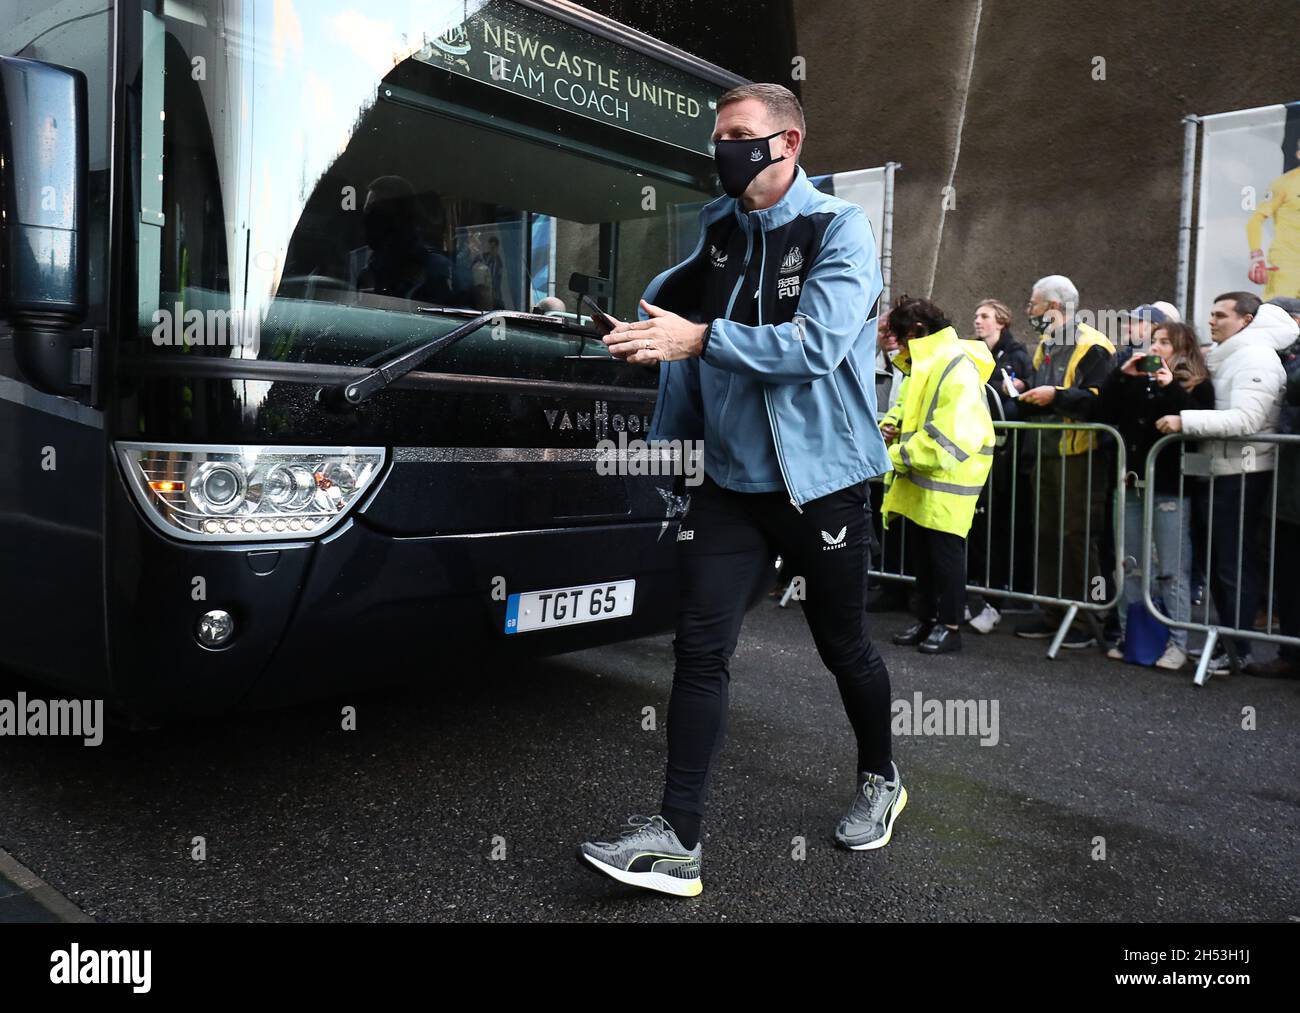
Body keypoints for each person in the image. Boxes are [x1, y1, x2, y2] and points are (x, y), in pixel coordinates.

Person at [576, 83, 901, 897]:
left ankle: (882, 775)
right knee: (700, 647)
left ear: (787, 143)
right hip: (731, 482)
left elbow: (817, 344)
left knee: (843, 646)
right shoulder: (716, 229)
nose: (722, 149)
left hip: (821, 484)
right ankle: (676, 840)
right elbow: (685, 334)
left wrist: (700, 336)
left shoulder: (841, 228)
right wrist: (655, 351)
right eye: (718, 136)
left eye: (738, 135)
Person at [1156, 296, 1293, 674]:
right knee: (1218, 563)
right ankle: (1226, 644)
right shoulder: (1229, 355)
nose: (1211, 321)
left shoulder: (1256, 358)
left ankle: (1237, 649)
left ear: (1246, 320)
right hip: (1217, 470)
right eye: (1211, 313)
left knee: (1232, 564)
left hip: (1243, 474)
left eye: (1220, 315)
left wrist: (1186, 421)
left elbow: (1247, 419)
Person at [1092, 322, 1213, 670]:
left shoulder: (1197, 383)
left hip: (1170, 487)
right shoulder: (1136, 382)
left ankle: (1178, 642)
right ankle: (1131, 634)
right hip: (1129, 482)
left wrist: (1170, 387)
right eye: (1154, 341)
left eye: (1165, 343)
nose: (1156, 348)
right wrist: (1121, 376)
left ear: (1182, 349)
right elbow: (1104, 413)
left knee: (1172, 569)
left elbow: (1197, 420)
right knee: (1127, 564)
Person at [880, 297, 996, 654]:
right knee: (924, 557)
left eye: (900, 336)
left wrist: (896, 454)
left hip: (948, 478)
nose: (897, 344)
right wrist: (892, 423)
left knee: (945, 557)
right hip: (925, 473)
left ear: (917, 331)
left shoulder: (953, 365)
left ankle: (949, 626)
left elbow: (948, 438)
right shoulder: (931, 361)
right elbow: (909, 403)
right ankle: (929, 620)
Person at [1013, 274, 1116, 648]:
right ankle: (1052, 610)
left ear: (1054, 307)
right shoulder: (1047, 343)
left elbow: (1099, 399)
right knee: (1047, 533)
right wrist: (1028, 390)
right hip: (1046, 450)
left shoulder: (1093, 345)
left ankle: (1087, 619)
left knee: (1077, 537)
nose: (1029, 310)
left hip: (1079, 454)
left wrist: (1053, 395)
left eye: (1034, 303)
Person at [967, 298, 1031, 629]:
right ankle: (974, 596)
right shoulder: (977, 354)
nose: (977, 321)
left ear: (1001, 322)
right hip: (982, 449)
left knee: (997, 528)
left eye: (985, 316)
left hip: (1005, 453)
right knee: (978, 528)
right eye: (977, 316)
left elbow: (1010, 394)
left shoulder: (1015, 354)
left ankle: (995, 601)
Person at [1246, 106, 1300, 300]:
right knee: (1280, 320)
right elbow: (1254, 221)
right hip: (1287, 264)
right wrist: (1256, 256)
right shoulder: (1285, 183)